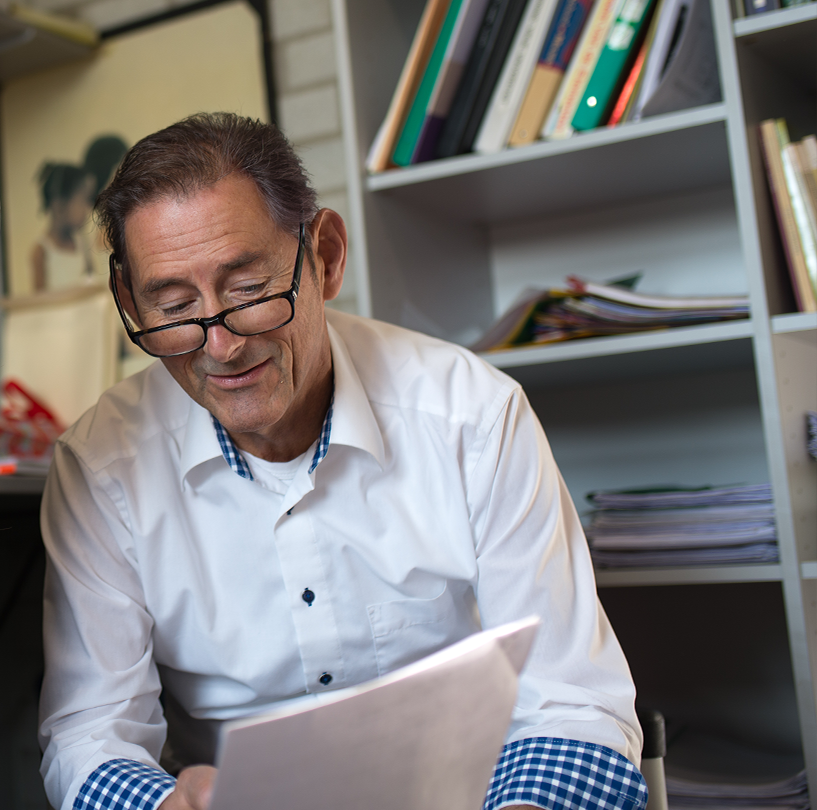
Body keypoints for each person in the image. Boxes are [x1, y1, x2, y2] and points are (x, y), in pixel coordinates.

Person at [37, 113, 646, 810]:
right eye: (173, 307)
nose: (220, 347)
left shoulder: (472, 417)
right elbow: (91, 730)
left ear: (324, 256)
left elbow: (569, 700)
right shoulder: (102, 465)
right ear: (127, 301)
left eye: (247, 292)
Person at [31, 161, 95, 293]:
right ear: (59, 205)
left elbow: (92, 285)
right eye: (83, 200)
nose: (87, 209)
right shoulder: (41, 252)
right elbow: (39, 304)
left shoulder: (82, 245)